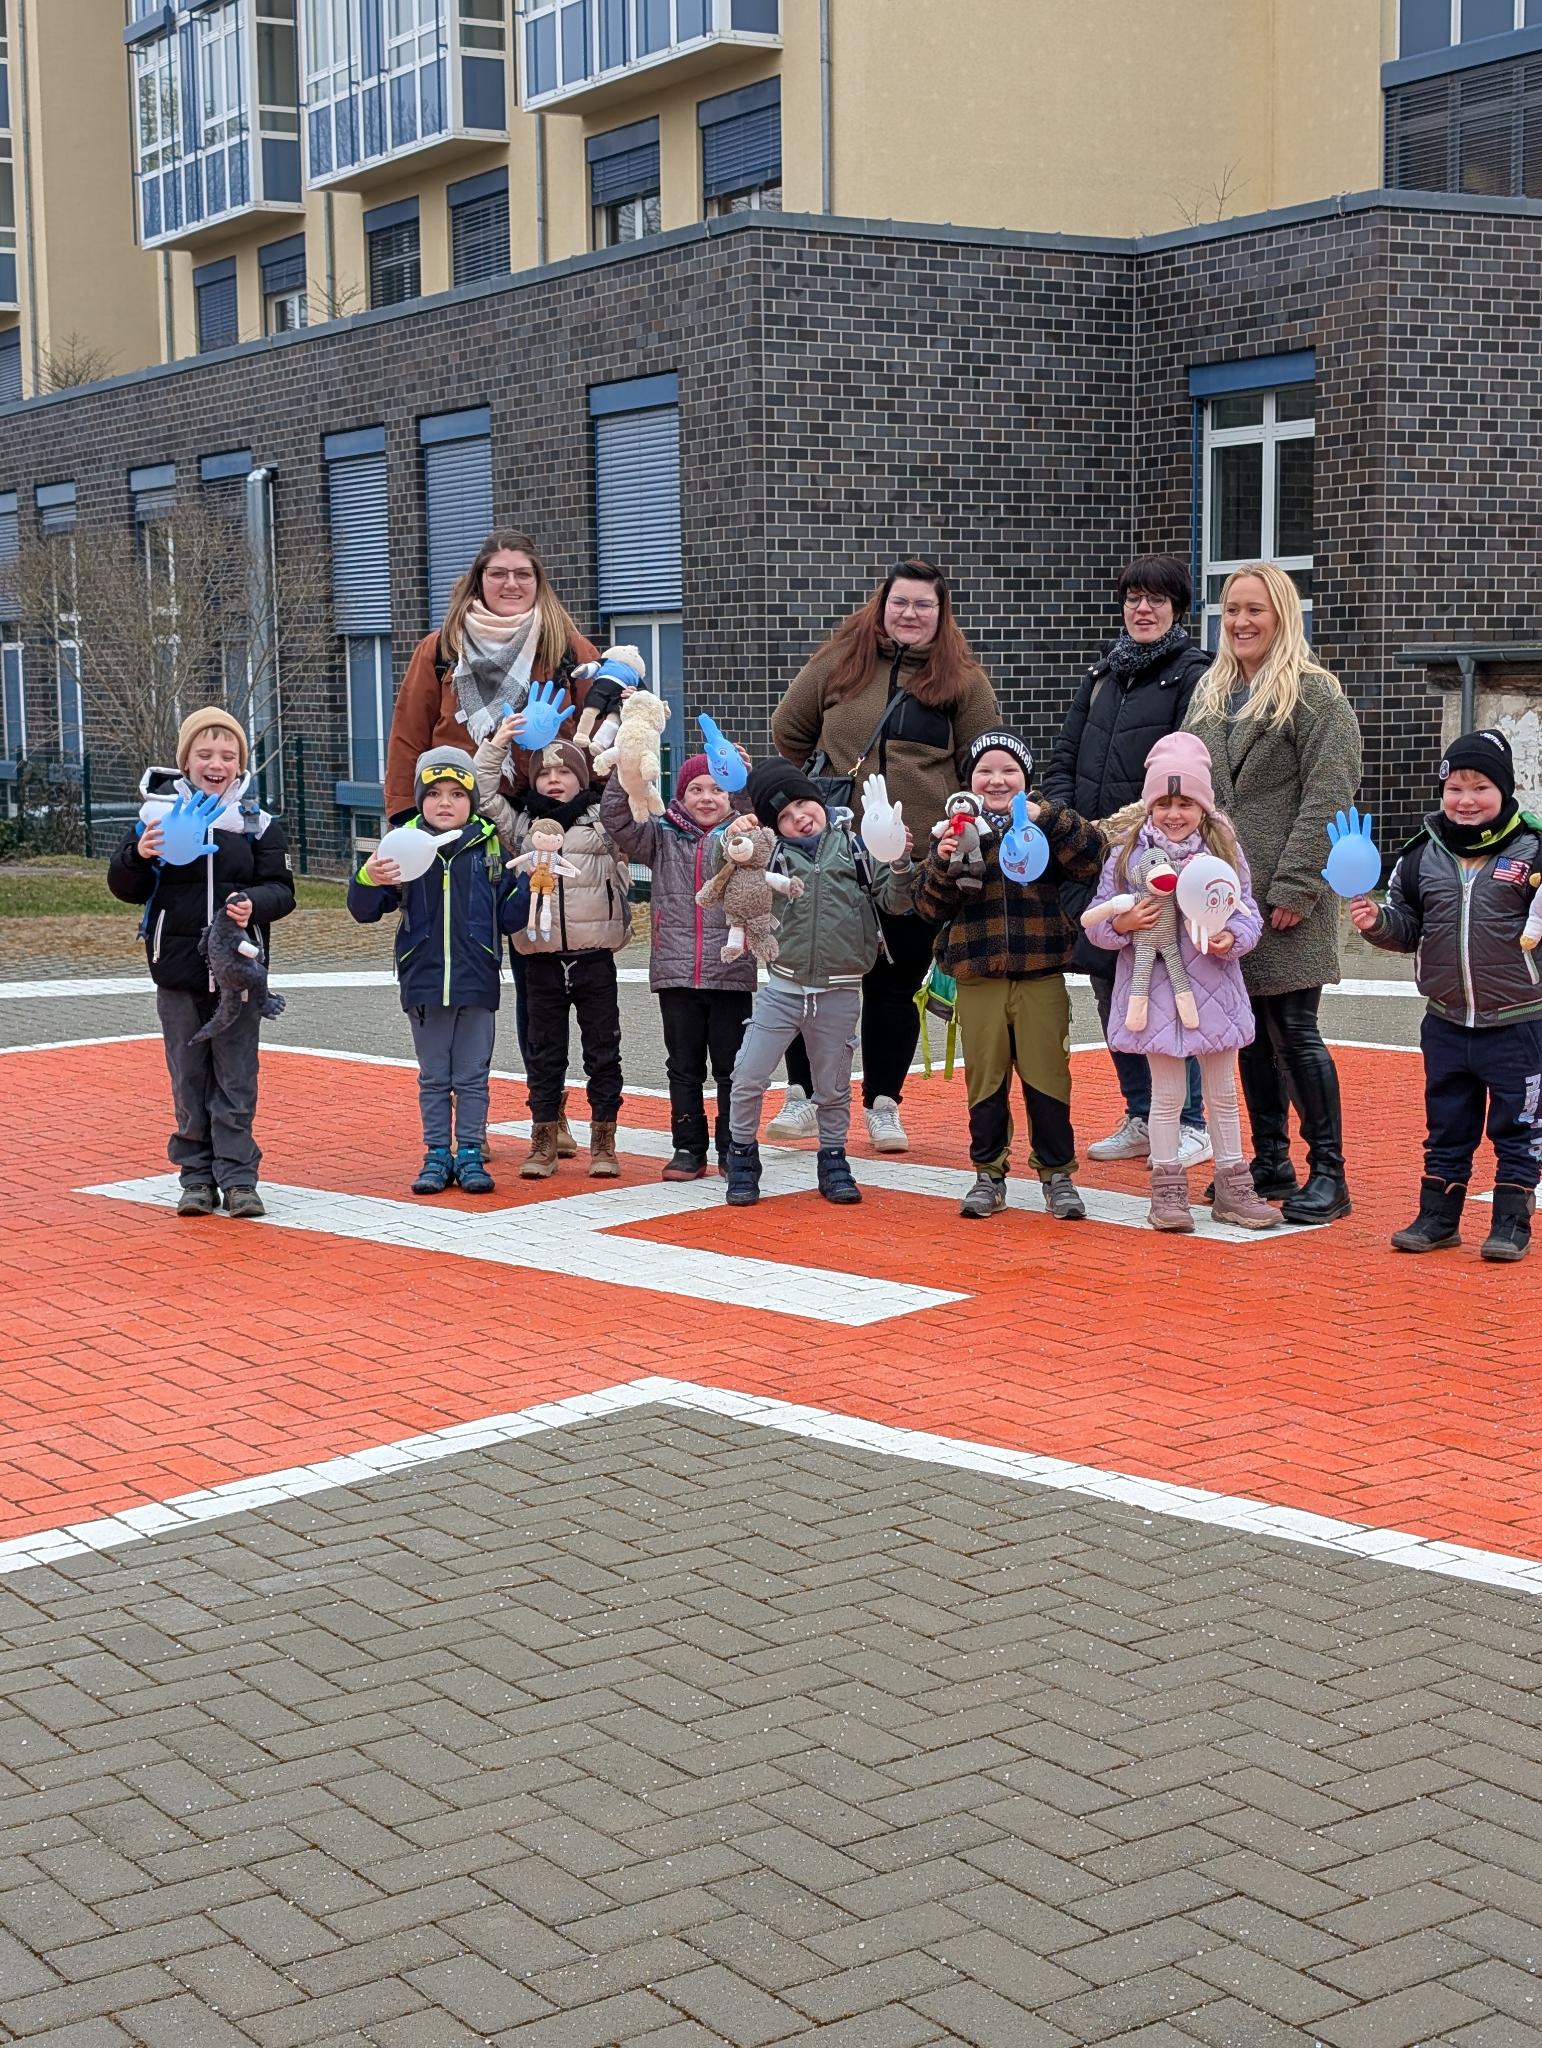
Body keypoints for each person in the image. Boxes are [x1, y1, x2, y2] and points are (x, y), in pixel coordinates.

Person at [768, 556, 999, 1153]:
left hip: (916, 859)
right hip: (833, 854)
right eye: (901, 602)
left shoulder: (964, 680)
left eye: (924, 604)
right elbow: (788, 729)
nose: (910, 614)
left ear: (941, 613)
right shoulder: (840, 662)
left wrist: (952, 827)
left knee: (895, 985)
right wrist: (822, 780)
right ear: (882, 604)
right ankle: (803, 1095)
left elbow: (982, 765)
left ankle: (883, 1103)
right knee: (814, 977)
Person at [1183, 563, 1363, 1225]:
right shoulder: (1211, 694)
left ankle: (1330, 1176)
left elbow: (1329, 794)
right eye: (1232, 609)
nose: (1240, 622)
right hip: (1224, 900)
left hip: (1289, 897)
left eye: (1254, 609)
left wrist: (1297, 884)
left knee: (1295, 1032)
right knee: (1249, 1033)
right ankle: (1270, 1162)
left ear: (1282, 615)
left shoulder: (1315, 696)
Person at [1043, 552, 1213, 1169]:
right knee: (1111, 985)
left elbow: (1184, 768)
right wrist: (1068, 828)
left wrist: (1128, 832)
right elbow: (1064, 756)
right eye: (1133, 598)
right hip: (1093, 858)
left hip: (1156, 855)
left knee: (1170, 987)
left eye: (1156, 599)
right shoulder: (1102, 675)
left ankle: (1190, 1120)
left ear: (1178, 609)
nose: (1143, 609)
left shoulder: (1194, 675)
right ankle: (1141, 1112)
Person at [1350, 728, 1542, 1262]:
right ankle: (1437, 1217)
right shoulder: (1420, 855)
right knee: (1446, 1126)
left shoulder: (1534, 850)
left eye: (1480, 788)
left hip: (1520, 1020)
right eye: (1454, 788)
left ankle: (1510, 1222)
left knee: (1521, 1127)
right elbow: (1408, 927)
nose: (1466, 800)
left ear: (1504, 790)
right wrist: (1377, 922)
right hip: (1445, 1021)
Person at [1085, 734, 1280, 1233]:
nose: (1174, 814)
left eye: (1186, 803)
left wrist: (1230, 939)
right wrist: (1124, 924)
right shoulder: (1126, 853)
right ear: (1149, 804)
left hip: (1214, 989)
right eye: (1164, 803)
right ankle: (1168, 1190)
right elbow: (1099, 921)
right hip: (1153, 994)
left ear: (1203, 805)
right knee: (1167, 1097)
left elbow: (1246, 911)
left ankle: (1234, 1187)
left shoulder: (1222, 849)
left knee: (1223, 1094)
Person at [107, 707, 295, 1218]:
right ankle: (195, 1178)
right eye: (205, 754)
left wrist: (254, 903)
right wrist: (139, 856)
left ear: (241, 765)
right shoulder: (156, 818)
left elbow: (283, 890)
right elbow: (125, 888)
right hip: (178, 972)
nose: (217, 764)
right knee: (188, 1077)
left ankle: (238, 1179)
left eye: (228, 756)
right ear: (185, 761)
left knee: (237, 1078)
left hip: (239, 975)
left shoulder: (257, 824)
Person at [910, 729, 1105, 1221]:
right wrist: (943, 861)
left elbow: (1093, 858)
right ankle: (988, 1175)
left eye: (1009, 771)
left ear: (1026, 778)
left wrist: (1047, 817)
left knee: (1049, 1079)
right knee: (986, 1081)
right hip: (977, 977)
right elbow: (929, 907)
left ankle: (1057, 1174)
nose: (997, 780)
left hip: (1042, 973)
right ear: (969, 780)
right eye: (985, 771)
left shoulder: (1045, 825)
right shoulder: (954, 830)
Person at [723, 761, 917, 1207]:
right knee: (748, 1074)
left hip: (840, 989)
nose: (799, 818)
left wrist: (900, 860)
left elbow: (893, 900)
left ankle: (833, 1159)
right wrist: (730, 837)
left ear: (817, 798)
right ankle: (743, 1155)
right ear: (774, 826)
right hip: (783, 987)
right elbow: (726, 870)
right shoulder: (767, 854)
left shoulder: (856, 846)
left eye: (802, 804)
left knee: (832, 1086)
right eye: (785, 816)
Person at [348, 747, 521, 1196]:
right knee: (434, 1077)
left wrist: (532, 886)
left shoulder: (490, 848)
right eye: (434, 793)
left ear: (472, 800)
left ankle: (470, 1152)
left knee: (472, 1076)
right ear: (420, 800)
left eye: (457, 794)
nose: (445, 802)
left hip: (477, 980)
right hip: (423, 980)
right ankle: (437, 1154)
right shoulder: (401, 845)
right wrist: (366, 879)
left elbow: (511, 919)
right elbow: (365, 911)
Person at [474, 734, 631, 1180]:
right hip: (540, 959)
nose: (554, 779)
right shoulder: (521, 825)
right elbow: (482, 793)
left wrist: (620, 747)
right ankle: (543, 1138)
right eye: (544, 773)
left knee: (603, 1053)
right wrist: (498, 744)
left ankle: (604, 1139)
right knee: (544, 1054)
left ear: (581, 778)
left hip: (594, 956)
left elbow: (635, 798)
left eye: (564, 771)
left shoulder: (602, 820)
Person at [601, 745, 756, 1181]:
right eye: (696, 789)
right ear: (680, 796)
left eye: (717, 789)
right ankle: (688, 1147)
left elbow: (758, 818)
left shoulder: (743, 837)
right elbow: (617, 820)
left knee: (732, 1068)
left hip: (730, 972)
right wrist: (624, 770)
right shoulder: (661, 835)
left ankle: (733, 1145)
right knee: (683, 1067)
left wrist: (742, 780)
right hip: (676, 972)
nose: (707, 798)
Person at [383, 530, 600, 822]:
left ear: (538, 581)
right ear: (479, 579)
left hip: (548, 821)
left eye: (523, 574)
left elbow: (600, 734)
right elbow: (408, 737)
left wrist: (606, 821)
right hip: (459, 820)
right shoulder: (442, 648)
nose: (511, 583)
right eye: (498, 573)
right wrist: (404, 817)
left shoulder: (567, 648)